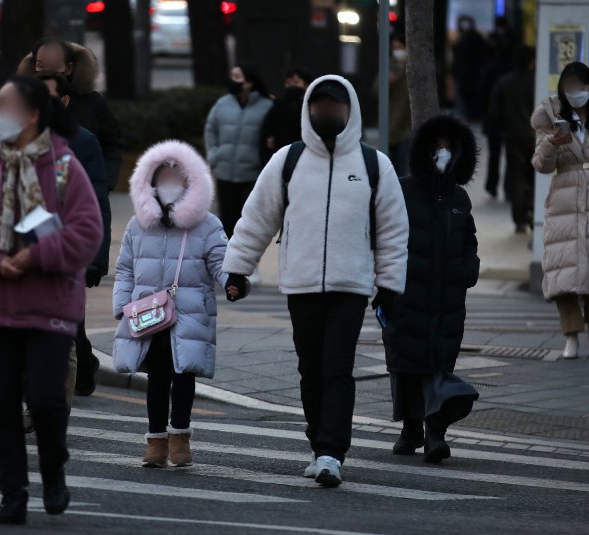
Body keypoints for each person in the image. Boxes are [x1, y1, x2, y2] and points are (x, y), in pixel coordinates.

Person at [222, 76, 409, 487]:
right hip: (301, 285)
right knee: (311, 370)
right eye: (318, 105)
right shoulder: (286, 161)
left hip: (351, 286)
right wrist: (237, 267)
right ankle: (317, 443)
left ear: (350, 111)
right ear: (308, 110)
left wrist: (390, 286)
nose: (326, 113)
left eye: (334, 106)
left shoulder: (374, 165)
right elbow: (256, 217)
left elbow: (394, 230)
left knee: (337, 368)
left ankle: (331, 452)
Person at [0, 75, 102, 524]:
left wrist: (34, 256)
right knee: (0, 405)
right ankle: (12, 494)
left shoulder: (64, 167)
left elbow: (86, 233)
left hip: (49, 305)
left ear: (33, 115)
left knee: (46, 400)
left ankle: (53, 470)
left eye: (6, 105)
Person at [112, 140, 228, 468]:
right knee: (157, 377)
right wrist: (122, 305)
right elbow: (124, 269)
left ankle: (180, 436)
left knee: (184, 373)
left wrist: (234, 281)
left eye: (177, 175)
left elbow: (222, 263)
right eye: (164, 174)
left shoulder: (208, 224)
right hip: (149, 313)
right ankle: (155, 440)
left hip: (189, 311)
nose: (170, 181)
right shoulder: (138, 224)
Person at [380, 115, 481, 464]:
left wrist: (469, 270)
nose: (443, 152)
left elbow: (469, 239)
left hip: (449, 297)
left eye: (449, 147)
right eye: (437, 145)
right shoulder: (404, 190)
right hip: (408, 293)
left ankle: (435, 433)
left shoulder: (459, 197)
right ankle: (411, 429)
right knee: (408, 363)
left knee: (439, 363)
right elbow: (385, 235)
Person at [30, 37, 121, 393]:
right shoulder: (13, 133)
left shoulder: (85, 130)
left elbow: (97, 197)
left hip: (66, 248)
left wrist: (96, 257)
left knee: (67, 329)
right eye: (39, 63)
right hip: (21, 255)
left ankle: (58, 402)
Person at [531, 61, 589, 359]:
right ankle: (571, 337)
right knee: (565, 276)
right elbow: (541, 165)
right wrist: (553, 143)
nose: (576, 92)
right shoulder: (550, 117)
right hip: (564, 201)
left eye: (581, 86)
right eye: (570, 87)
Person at [30, 37, 122, 190]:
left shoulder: (93, 102)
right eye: (41, 65)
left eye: (54, 65)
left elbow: (112, 146)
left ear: (69, 68)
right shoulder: (23, 101)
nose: (47, 71)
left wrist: (103, 183)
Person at [204, 63, 273, 239]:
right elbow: (210, 129)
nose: (232, 81)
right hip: (225, 173)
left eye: (236, 77)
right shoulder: (222, 104)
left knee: (248, 224)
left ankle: (245, 265)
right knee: (226, 222)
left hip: (252, 175)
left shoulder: (268, 106)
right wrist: (214, 155)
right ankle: (225, 263)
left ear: (249, 82)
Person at [489, 45, 536, 233]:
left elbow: (494, 112)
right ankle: (532, 208)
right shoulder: (537, 81)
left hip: (513, 135)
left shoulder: (504, 82)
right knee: (536, 174)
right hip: (535, 134)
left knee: (517, 175)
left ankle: (519, 219)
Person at [481, 17, 517, 199]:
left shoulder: (489, 69)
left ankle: (491, 185)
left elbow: (482, 94)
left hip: (494, 119)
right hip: (510, 120)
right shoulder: (512, 72)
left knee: (494, 154)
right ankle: (508, 188)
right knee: (510, 156)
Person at [260, 66, 313, 164]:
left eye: (295, 82)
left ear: (306, 85)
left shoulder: (311, 108)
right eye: (288, 83)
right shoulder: (277, 107)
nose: (291, 86)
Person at [452, 15, 488, 122]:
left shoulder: (468, 39)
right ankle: (469, 115)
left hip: (469, 73)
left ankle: (469, 116)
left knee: (467, 95)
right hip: (467, 72)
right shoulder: (470, 38)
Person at [388, 37, 412, 177]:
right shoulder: (391, 66)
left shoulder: (413, 67)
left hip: (408, 126)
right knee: (393, 165)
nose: (398, 51)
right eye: (394, 48)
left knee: (403, 165)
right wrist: (390, 80)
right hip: (392, 124)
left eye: (400, 48)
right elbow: (376, 90)